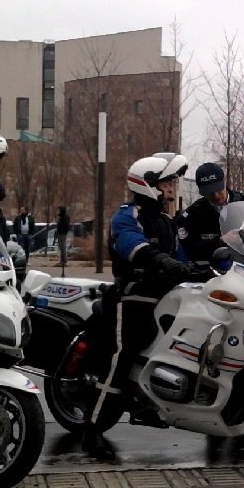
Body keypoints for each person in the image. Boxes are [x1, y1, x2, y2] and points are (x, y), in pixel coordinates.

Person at [82, 152, 190, 460]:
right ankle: (92, 431)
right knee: (123, 356)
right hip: (133, 297)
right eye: (168, 182)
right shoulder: (129, 215)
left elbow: (180, 259)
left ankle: (151, 400)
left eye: (174, 182)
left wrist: (201, 268)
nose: (173, 187)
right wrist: (159, 259)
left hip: (165, 298)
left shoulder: (166, 221)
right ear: (149, 185)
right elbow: (131, 244)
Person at [176, 162, 244, 263]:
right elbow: (190, 252)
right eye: (210, 192)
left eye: (219, 190)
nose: (216, 196)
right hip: (212, 274)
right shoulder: (192, 216)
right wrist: (220, 242)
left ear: (224, 180)